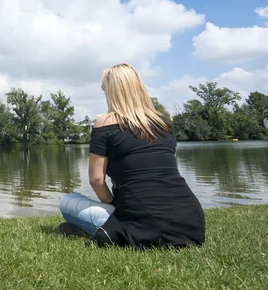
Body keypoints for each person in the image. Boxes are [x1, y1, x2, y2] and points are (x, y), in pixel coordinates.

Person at [59, 63, 205, 249]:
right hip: (191, 221)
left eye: (105, 88)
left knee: (67, 202)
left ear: (113, 91)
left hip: (142, 221)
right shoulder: (164, 124)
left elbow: (96, 179)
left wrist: (114, 205)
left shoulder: (105, 122)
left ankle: (92, 227)